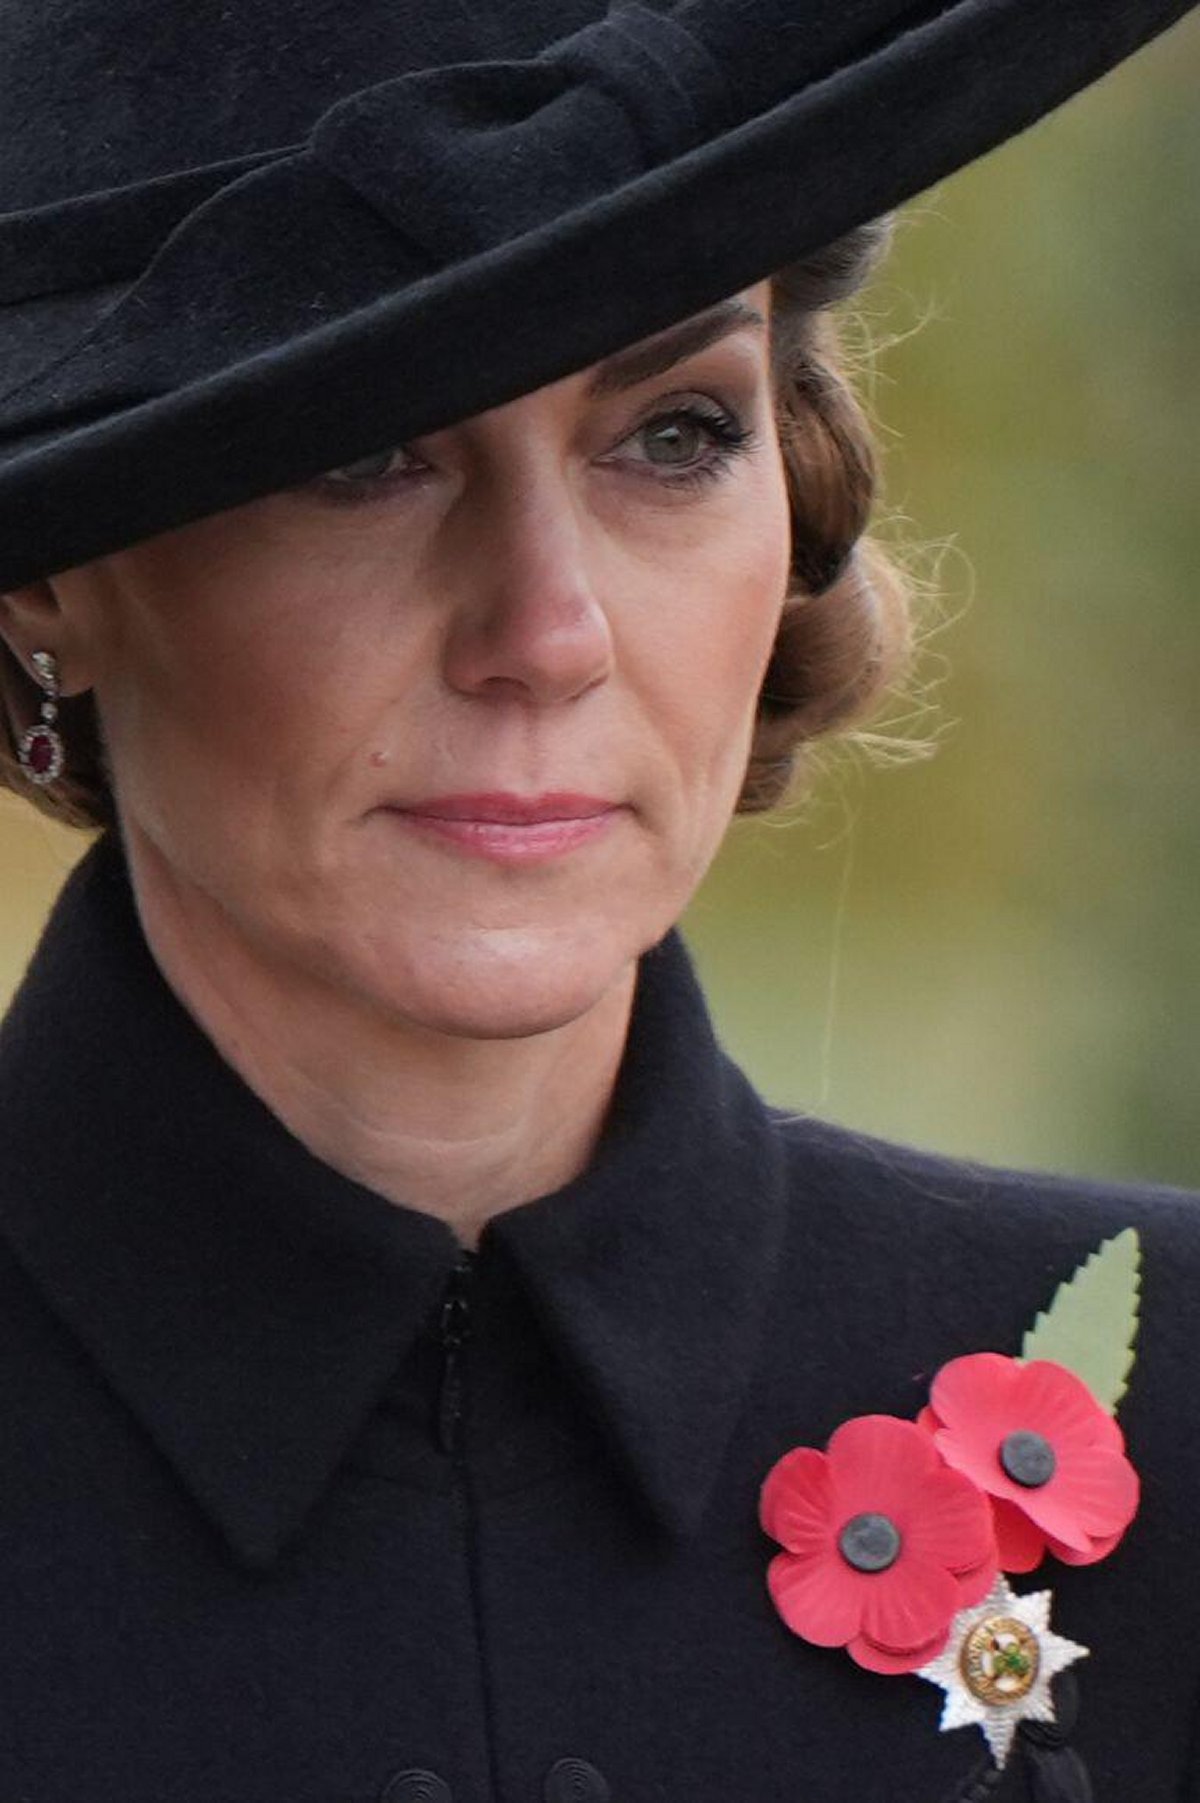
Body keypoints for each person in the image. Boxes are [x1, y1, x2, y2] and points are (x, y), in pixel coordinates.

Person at [0, 2, 1196, 1799]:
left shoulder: (1167, 1387)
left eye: (673, 433)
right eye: (362, 452)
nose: (547, 634)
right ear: (54, 587)